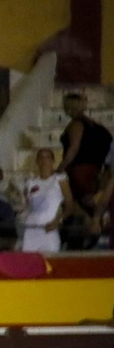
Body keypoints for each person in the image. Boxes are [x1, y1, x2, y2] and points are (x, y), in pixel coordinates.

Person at [57, 92, 111, 249]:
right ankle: (91, 235)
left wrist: (60, 168)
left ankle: (90, 234)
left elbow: (73, 148)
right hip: (94, 170)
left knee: (80, 204)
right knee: (88, 203)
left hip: (78, 170)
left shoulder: (76, 124)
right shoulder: (96, 126)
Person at [19, 147, 71, 254]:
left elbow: (70, 204)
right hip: (32, 229)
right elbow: (27, 206)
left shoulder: (59, 179)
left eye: (47, 157)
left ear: (52, 161)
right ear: (37, 161)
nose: (44, 161)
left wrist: (58, 221)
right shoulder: (30, 183)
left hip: (49, 229)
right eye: (41, 157)